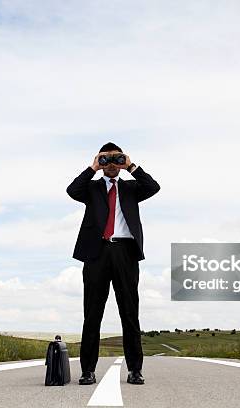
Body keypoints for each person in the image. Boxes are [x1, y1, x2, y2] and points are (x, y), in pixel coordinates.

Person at [66, 142, 160, 386]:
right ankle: (87, 370)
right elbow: (72, 190)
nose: (112, 165)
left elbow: (154, 186)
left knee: (130, 314)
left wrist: (131, 166)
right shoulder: (92, 188)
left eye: (116, 160)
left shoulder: (131, 188)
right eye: (106, 160)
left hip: (125, 253)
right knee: (92, 315)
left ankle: (135, 370)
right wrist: (93, 167)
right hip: (97, 253)